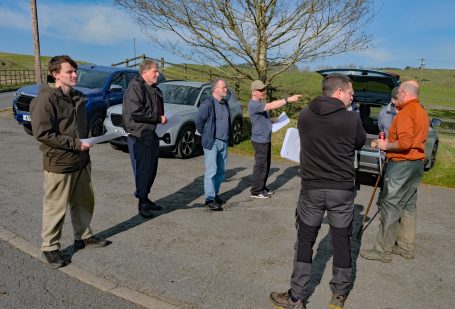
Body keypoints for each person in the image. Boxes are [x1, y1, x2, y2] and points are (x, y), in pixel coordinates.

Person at [269, 74, 366, 309]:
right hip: (341, 190)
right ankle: (339, 295)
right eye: (350, 92)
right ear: (339, 92)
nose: (352, 96)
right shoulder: (351, 119)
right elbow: (359, 143)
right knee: (342, 240)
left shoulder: (305, 115)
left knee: (305, 239)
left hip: (311, 188)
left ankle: (296, 296)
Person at [30, 55, 108, 269]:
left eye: (75, 71)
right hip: (60, 163)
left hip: (82, 161)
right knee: (55, 207)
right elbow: (43, 133)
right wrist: (75, 144)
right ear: (55, 75)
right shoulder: (45, 100)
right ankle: (50, 247)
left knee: (84, 202)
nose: (74, 75)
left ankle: (83, 236)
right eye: (69, 72)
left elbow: (79, 128)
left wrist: (88, 141)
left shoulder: (78, 97)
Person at [360, 80, 429, 263]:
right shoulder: (421, 111)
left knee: (390, 205)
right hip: (416, 164)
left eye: (398, 94)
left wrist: (385, 145)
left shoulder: (406, 113)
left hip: (401, 164)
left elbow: (405, 144)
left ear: (405, 93)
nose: (396, 97)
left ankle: (382, 251)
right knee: (407, 205)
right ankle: (405, 247)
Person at [123, 59, 167, 218]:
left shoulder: (155, 89)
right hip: (139, 135)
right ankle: (142, 205)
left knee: (151, 169)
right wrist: (157, 118)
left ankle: (146, 198)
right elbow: (136, 111)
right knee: (142, 171)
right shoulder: (136, 87)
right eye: (155, 71)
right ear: (145, 72)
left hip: (151, 134)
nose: (158, 74)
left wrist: (161, 119)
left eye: (157, 71)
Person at [248, 80, 301, 198]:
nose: (263, 92)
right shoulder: (254, 104)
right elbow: (271, 105)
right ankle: (256, 191)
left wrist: (273, 120)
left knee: (266, 165)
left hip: (265, 139)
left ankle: (262, 186)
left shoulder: (260, 104)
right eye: (260, 90)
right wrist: (288, 99)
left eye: (263, 89)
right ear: (254, 92)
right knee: (261, 165)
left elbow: (261, 118)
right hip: (259, 140)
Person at [196, 78, 232, 211]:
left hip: (224, 141)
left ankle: (215, 194)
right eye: (224, 87)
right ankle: (209, 199)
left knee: (221, 171)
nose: (226, 89)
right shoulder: (207, 104)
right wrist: (205, 135)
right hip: (212, 142)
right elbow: (199, 121)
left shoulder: (225, 103)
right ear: (216, 89)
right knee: (211, 171)